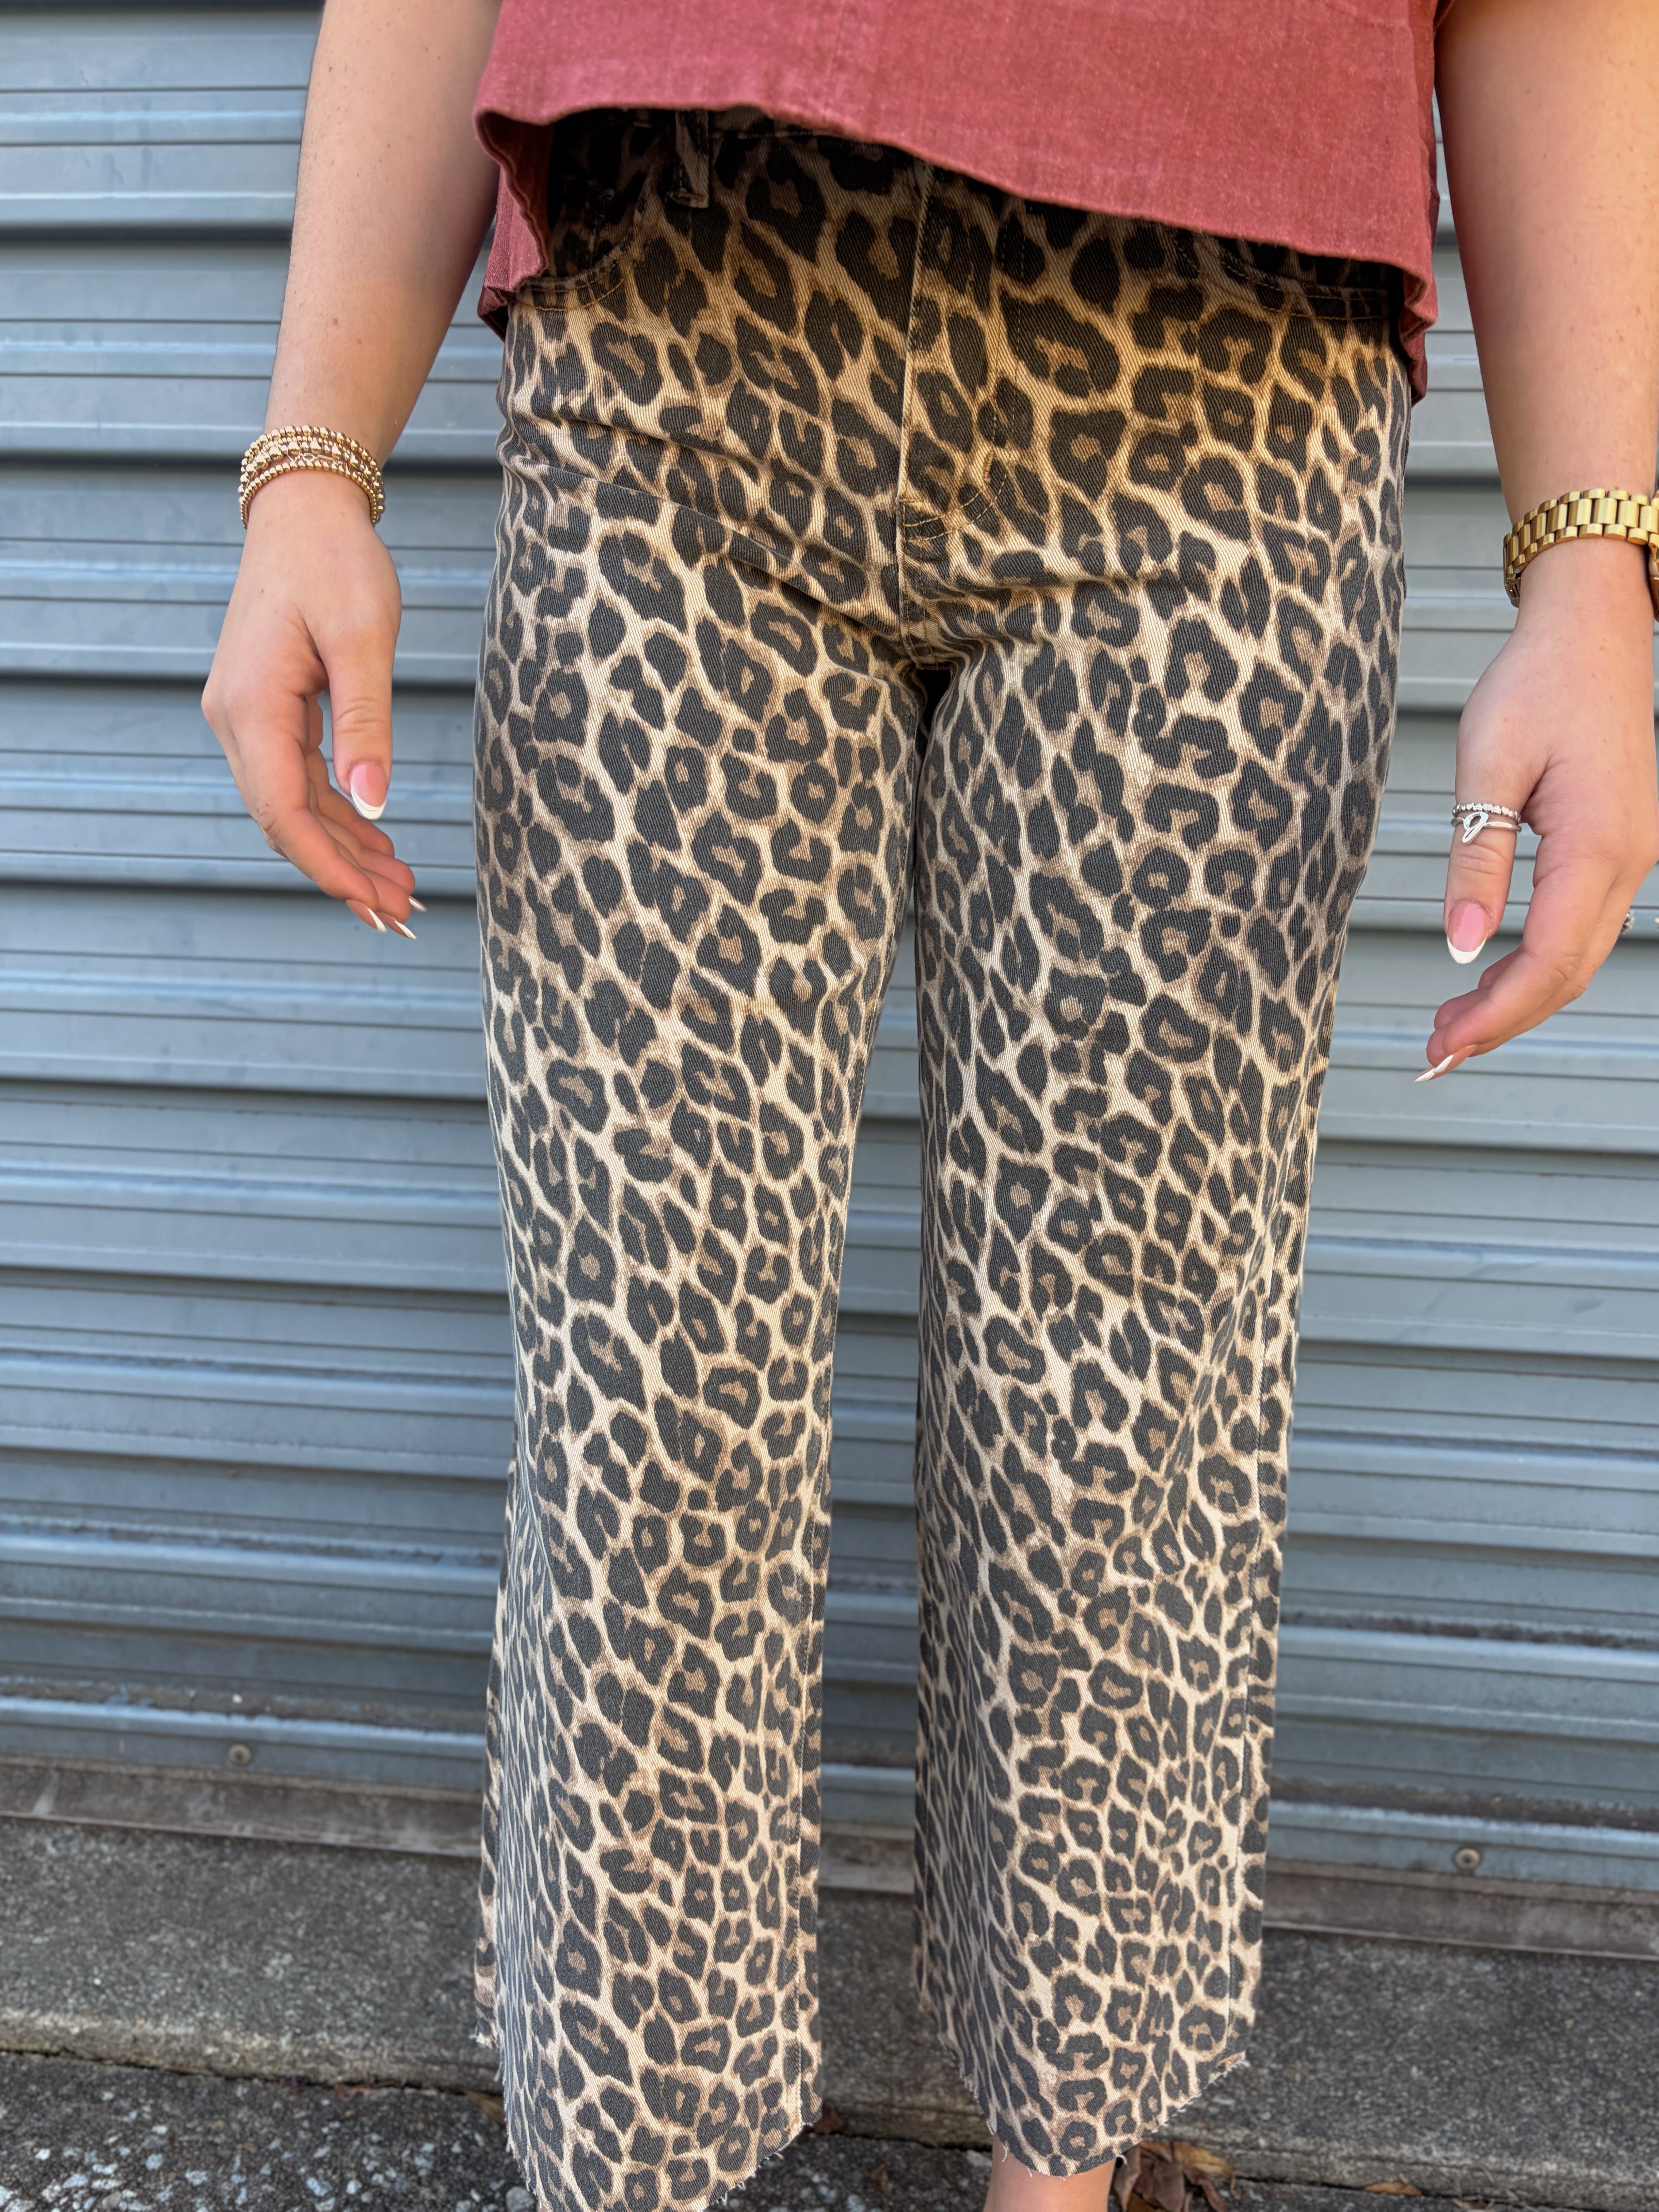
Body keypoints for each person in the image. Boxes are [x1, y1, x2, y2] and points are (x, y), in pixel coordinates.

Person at [203, 2, 1659, 2206]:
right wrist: (313, 456)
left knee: (1116, 1411)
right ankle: (634, 2164)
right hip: (684, 331)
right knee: (649, 1386)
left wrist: (1592, 563)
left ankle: (1064, 2175)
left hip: (1218, 393)